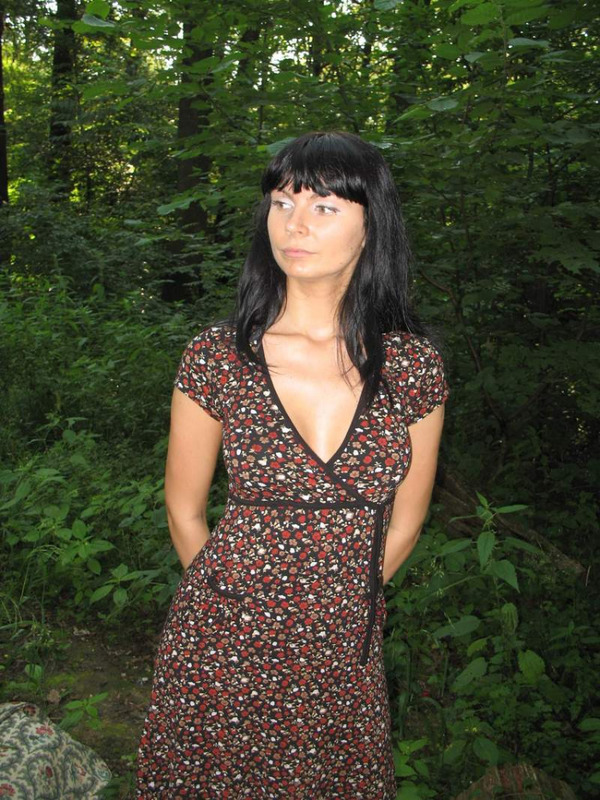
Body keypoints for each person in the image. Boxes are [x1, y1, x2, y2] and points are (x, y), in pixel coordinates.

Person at [135, 130, 449, 798]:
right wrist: (233, 609)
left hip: (342, 649)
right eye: (282, 203)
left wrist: (333, 607)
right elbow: (184, 509)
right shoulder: (219, 357)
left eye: (324, 206)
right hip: (222, 643)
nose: (294, 224)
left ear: (371, 227)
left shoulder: (413, 369)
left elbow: (407, 523)